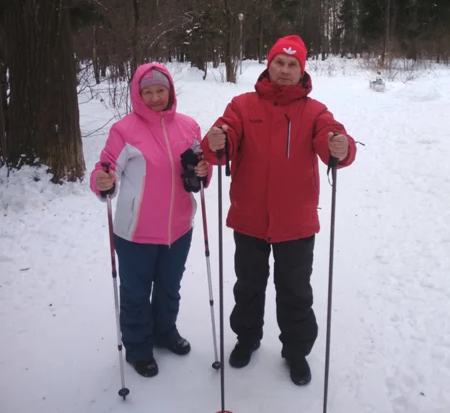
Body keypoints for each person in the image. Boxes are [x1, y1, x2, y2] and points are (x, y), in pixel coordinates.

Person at [201, 35, 356, 386]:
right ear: (268, 66)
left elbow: (331, 136)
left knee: (295, 290)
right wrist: (218, 139)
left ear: (302, 70)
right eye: (279, 64)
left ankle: (297, 351)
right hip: (250, 218)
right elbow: (224, 136)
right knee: (249, 286)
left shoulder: (315, 111)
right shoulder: (241, 106)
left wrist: (339, 144)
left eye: (292, 65)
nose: (284, 71)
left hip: (296, 222)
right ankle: (247, 339)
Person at [91, 63, 212, 378]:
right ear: (138, 94)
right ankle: (138, 347)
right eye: (148, 92)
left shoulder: (189, 126)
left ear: (170, 91)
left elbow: (200, 165)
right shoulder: (125, 130)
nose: (156, 97)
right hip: (136, 233)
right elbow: (106, 167)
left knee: (170, 288)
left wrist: (203, 171)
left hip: (179, 228)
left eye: (161, 90)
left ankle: (164, 331)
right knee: (135, 293)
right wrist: (102, 181)